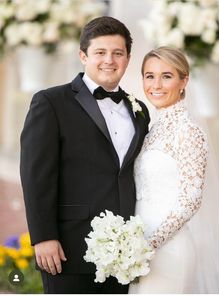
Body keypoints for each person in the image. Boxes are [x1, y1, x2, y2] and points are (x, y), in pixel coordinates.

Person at [20, 16, 150, 294]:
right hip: (68, 248)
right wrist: (43, 237)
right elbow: (36, 175)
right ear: (83, 55)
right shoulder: (51, 102)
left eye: (118, 53)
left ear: (128, 58)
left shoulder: (139, 111)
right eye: (100, 52)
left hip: (125, 255)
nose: (109, 60)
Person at [129, 46, 209, 294]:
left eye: (167, 76)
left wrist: (149, 244)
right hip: (138, 251)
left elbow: (191, 199)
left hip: (168, 251)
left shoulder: (189, 132)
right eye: (150, 76)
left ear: (184, 81)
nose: (156, 85)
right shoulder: (152, 129)